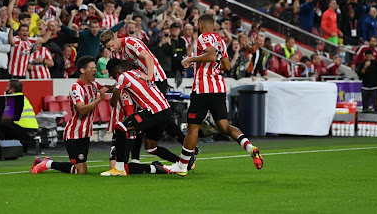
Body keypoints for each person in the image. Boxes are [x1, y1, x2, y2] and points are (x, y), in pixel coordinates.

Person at [167, 14, 263, 176]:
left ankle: (182, 166)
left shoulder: (204, 38)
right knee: (224, 126)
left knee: (193, 128)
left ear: (201, 25)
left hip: (203, 89)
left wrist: (191, 59)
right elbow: (225, 65)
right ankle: (250, 147)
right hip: (218, 88)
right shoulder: (220, 41)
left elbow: (211, 55)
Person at [101, 59, 179, 176]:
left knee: (121, 127)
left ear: (116, 71)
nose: (113, 78)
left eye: (112, 75)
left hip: (148, 115)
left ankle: (122, 168)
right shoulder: (136, 74)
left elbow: (116, 103)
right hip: (159, 111)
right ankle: (181, 163)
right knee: (150, 148)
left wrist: (110, 91)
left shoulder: (122, 80)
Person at [31, 56, 108, 174]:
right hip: (74, 133)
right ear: (83, 70)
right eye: (92, 68)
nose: (95, 70)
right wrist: (99, 99)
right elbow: (82, 110)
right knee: (80, 170)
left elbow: (109, 88)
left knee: (81, 169)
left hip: (85, 133)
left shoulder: (94, 84)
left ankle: (45, 162)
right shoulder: (75, 88)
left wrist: (125, 83)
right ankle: (48, 163)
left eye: (95, 68)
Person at [0, 79, 39, 149]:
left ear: (12, 89)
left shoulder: (12, 98)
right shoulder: (24, 98)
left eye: (7, 86)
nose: (6, 88)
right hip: (33, 128)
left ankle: (0, 147)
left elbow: (6, 117)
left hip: (24, 129)